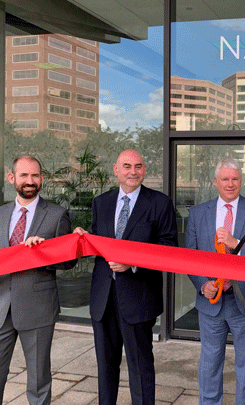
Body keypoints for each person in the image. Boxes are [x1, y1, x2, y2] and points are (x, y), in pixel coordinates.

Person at [0, 155, 75, 405]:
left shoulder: (57, 215)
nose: (30, 181)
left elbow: (69, 262)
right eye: (24, 175)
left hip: (37, 309)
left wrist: (44, 252)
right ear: (12, 178)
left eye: (35, 176)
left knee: (38, 382)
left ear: (42, 179)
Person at [74, 149, 178, 405]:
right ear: (116, 169)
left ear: (145, 170)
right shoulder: (101, 202)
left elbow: (168, 248)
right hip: (103, 298)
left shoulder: (160, 203)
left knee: (140, 368)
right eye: (127, 166)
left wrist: (132, 263)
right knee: (105, 367)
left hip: (138, 298)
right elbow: (98, 243)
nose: (134, 171)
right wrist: (82, 238)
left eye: (139, 166)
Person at [186, 158, 245, 405]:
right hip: (210, 302)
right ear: (216, 182)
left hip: (244, 300)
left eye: (235, 179)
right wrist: (202, 284)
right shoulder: (197, 213)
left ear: (241, 181)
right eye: (225, 179)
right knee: (210, 361)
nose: (230, 184)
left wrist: (237, 243)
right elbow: (189, 257)